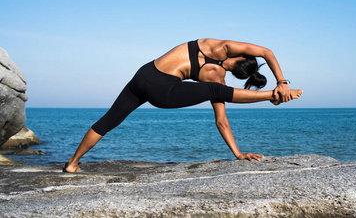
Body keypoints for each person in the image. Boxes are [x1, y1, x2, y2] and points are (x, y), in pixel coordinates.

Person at [63, 39, 303, 173]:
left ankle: (72, 165)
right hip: (163, 93)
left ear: (241, 57)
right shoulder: (216, 78)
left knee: (109, 120)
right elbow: (221, 121)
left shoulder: (217, 45)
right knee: (218, 91)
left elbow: (266, 51)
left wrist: (281, 79)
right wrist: (238, 154)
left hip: (143, 74)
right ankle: (272, 96)